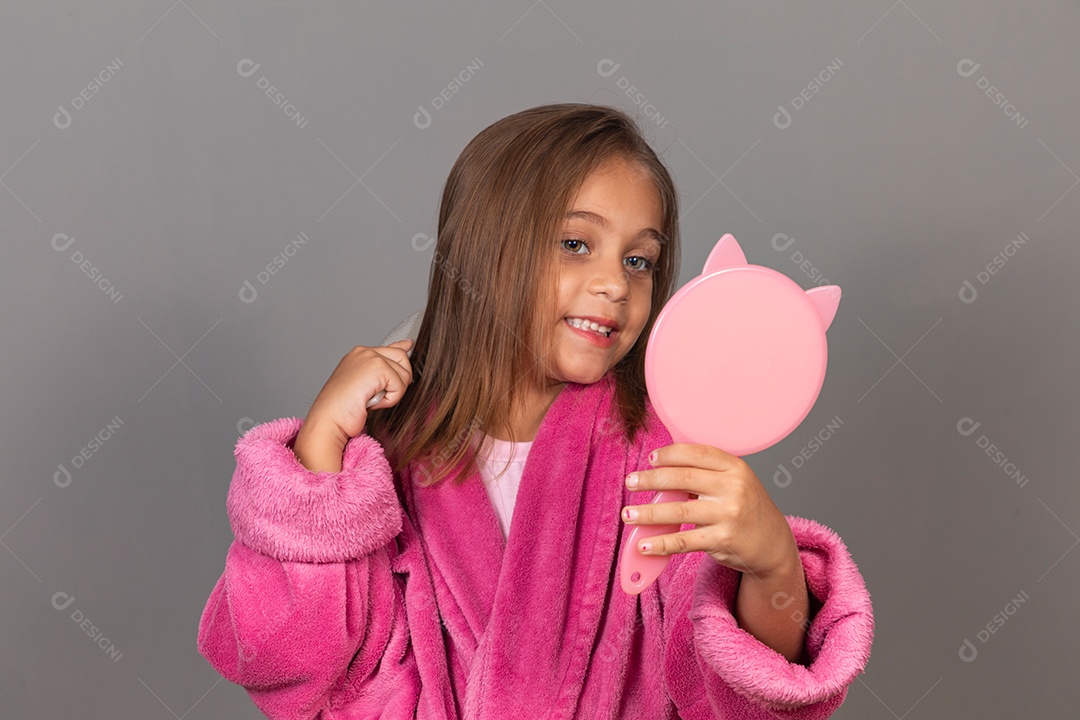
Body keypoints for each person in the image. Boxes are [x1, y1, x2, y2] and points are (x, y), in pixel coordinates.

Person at [197, 103, 874, 718]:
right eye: (576, 244)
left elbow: (728, 700)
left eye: (639, 260)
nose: (615, 284)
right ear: (483, 250)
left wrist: (773, 566)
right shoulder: (381, 457)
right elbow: (288, 664)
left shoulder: (660, 456)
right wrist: (320, 446)